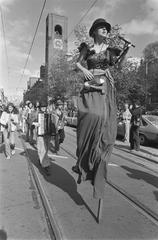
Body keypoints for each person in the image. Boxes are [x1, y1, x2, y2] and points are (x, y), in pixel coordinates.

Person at [72, 18, 130, 198]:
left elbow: (118, 66)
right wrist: (84, 71)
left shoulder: (110, 51)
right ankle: (82, 158)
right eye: (102, 28)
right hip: (90, 85)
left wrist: (126, 51)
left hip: (105, 85)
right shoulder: (87, 48)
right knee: (90, 117)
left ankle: (99, 160)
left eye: (107, 29)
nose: (105, 30)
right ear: (95, 31)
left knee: (104, 121)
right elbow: (77, 63)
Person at [32, 106, 51, 176]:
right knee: (42, 150)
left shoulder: (49, 114)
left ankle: (41, 160)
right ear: (40, 107)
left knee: (45, 150)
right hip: (40, 134)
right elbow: (30, 120)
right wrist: (35, 124)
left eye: (44, 107)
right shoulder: (37, 113)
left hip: (47, 135)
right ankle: (46, 166)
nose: (43, 108)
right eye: (42, 107)